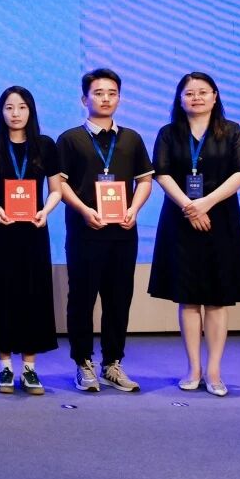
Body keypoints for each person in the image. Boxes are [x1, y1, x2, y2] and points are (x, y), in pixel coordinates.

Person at [149, 72, 240, 397]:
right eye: (189, 93)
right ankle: (193, 369)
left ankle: (214, 371)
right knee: (188, 297)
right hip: (180, 219)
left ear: (214, 96)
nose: (196, 97)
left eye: (202, 92)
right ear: (180, 99)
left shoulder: (231, 131)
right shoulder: (169, 133)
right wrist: (189, 206)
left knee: (216, 299)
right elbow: (161, 173)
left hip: (221, 219)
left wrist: (206, 203)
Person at [56, 68, 153, 393]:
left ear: (119, 98)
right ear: (84, 99)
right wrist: (84, 211)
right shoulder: (70, 139)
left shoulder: (131, 139)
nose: (106, 98)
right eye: (98, 93)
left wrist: (133, 209)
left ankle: (113, 363)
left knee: (119, 298)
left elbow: (145, 180)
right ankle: (83, 362)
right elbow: (59, 185)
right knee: (82, 299)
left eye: (112, 93)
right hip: (85, 231)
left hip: (123, 233)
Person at [0, 86, 62, 395]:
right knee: (0, 294)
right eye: (9, 108)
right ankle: (5, 366)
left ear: (31, 111)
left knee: (33, 294)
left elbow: (56, 190)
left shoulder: (45, 145)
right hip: (0, 229)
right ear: (0, 112)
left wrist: (45, 211)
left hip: (34, 229)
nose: (15, 113)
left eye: (22, 107)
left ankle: (29, 368)